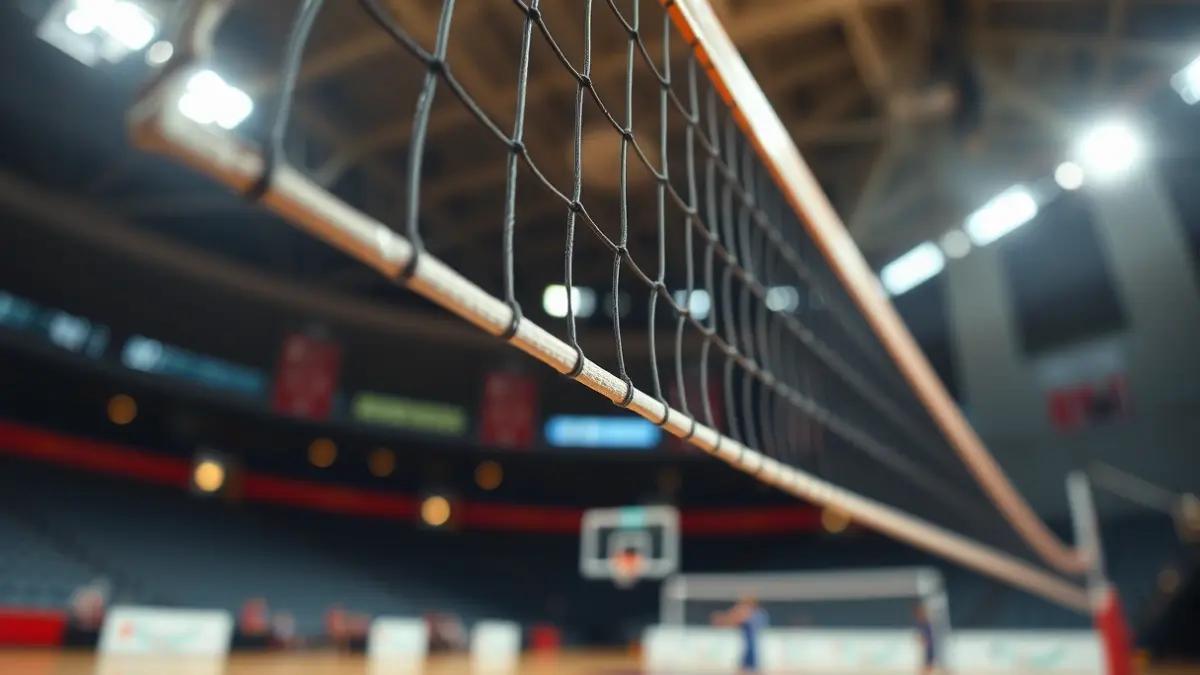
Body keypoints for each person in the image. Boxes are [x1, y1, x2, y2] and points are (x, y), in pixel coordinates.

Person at [711, 595, 769, 674]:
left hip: (751, 647)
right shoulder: (757, 614)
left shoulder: (752, 614)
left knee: (748, 666)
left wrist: (723, 619)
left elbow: (736, 619)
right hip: (750, 646)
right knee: (749, 666)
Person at [915, 605, 939, 675]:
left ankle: (926, 672)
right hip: (927, 646)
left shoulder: (927, 623)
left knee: (929, 662)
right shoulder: (922, 623)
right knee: (926, 662)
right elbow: (919, 634)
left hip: (930, 645)